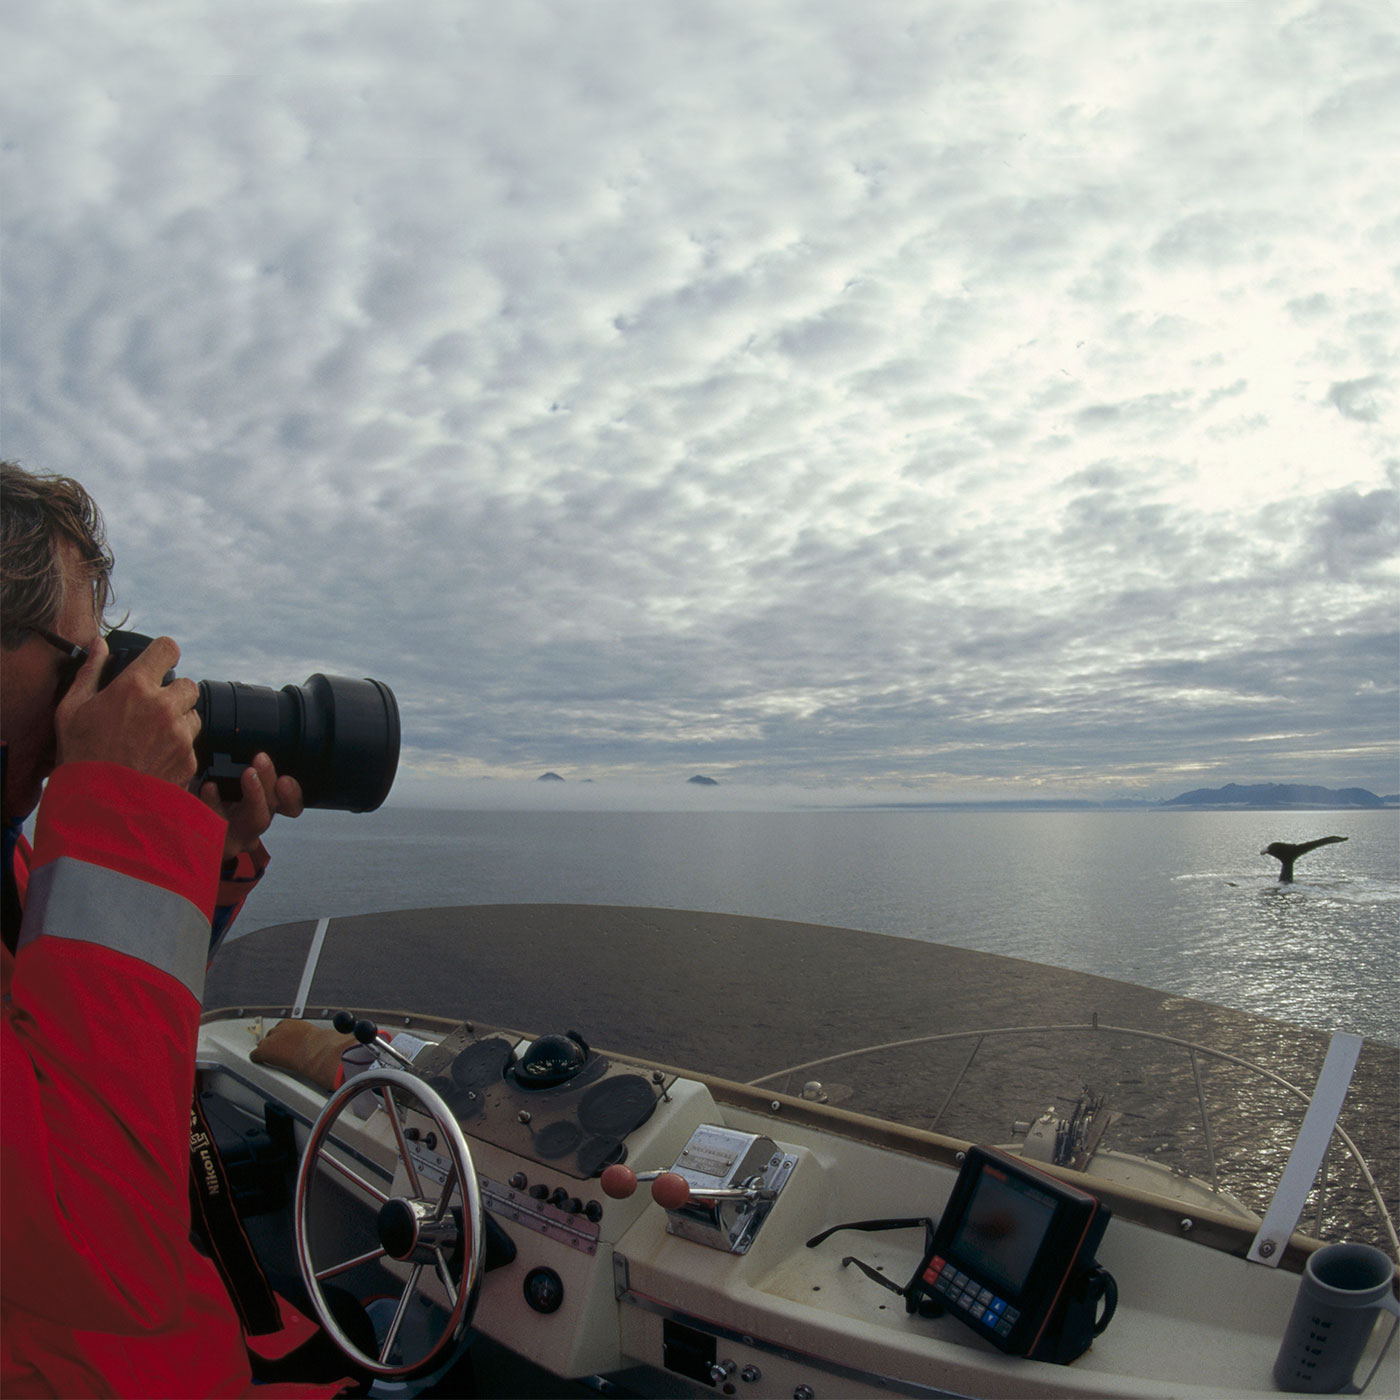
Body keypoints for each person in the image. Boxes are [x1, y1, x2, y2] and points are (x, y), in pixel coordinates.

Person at [0, 461, 348, 1397]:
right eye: (79, 660)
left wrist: (200, 851)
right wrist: (120, 820)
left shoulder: (12, 862)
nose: (98, 690)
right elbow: (103, 1257)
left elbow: (92, 1027)